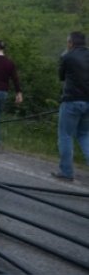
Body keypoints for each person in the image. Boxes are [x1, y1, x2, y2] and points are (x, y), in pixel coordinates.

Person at [52, 31, 89, 181]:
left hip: (72, 101)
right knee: (85, 135)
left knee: (66, 136)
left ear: (70, 43)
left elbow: (61, 76)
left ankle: (66, 172)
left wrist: (63, 56)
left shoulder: (68, 57)